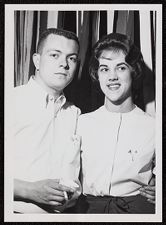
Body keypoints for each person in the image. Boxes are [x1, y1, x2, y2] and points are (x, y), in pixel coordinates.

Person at [76, 33, 156, 213]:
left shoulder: (153, 127)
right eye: (104, 69)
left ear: (133, 71)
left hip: (138, 212)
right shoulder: (81, 123)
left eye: (120, 68)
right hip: (87, 211)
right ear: (97, 74)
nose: (112, 76)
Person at [13, 28, 81, 213]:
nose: (64, 64)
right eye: (54, 55)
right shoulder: (10, 101)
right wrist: (28, 190)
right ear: (37, 60)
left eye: (71, 58)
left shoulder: (74, 113)